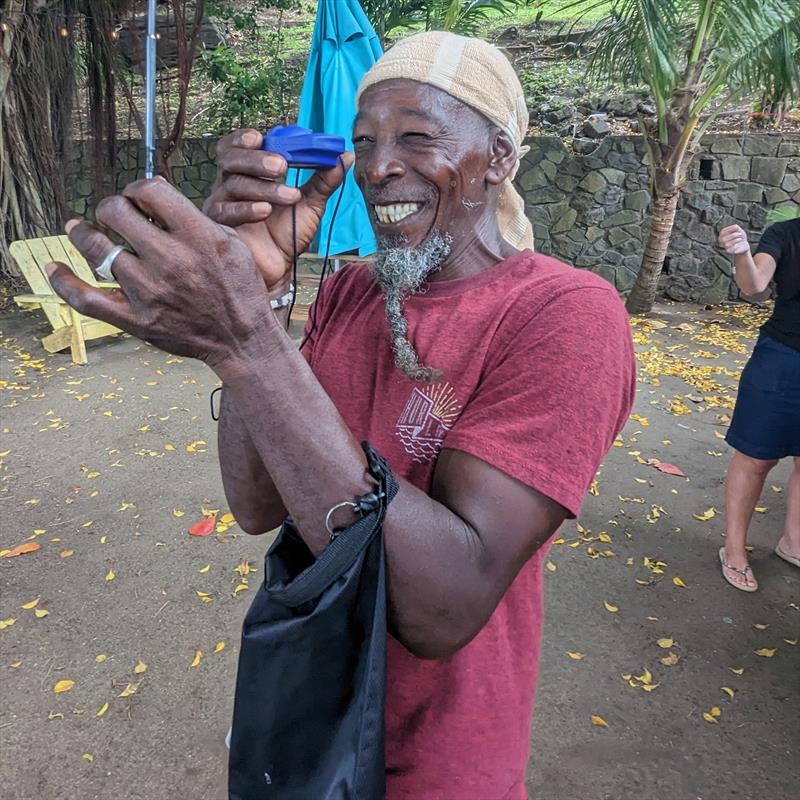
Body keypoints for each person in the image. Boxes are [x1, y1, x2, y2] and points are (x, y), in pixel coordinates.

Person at [46, 31, 635, 800]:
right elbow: (259, 504)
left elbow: (441, 605)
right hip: (299, 721)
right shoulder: (352, 293)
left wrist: (248, 342)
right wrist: (260, 303)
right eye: (364, 142)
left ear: (498, 157)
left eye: (418, 137)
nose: (380, 165)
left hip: (440, 763)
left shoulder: (563, 313)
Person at [717, 218, 800, 591]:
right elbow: (755, 285)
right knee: (756, 458)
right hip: (782, 359)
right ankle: (734, 550)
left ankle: (793, 543)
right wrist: (741, 255)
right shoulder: (785, 234)